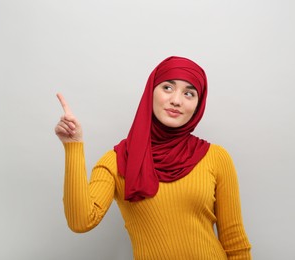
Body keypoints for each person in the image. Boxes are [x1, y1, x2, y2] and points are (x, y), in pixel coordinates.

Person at [55, 56, 252, 259]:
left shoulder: (216, 157)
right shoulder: (117, 161)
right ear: (151, 92)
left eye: (189, 93)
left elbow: (234, 241)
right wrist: (73, 147)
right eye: (167, 87)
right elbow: (80, 221)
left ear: (197, 105)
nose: (176, 100)